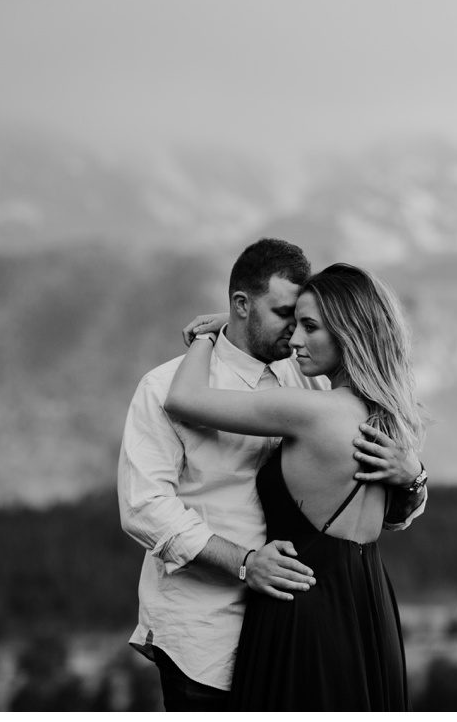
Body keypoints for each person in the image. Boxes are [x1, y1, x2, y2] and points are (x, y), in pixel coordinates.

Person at [118, 239, 427, 711]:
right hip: (208, 632)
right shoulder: (162, 386)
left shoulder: (310, 385)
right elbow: (144, 508)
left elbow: (381, 511)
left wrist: (413, 477)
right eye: (286, 315)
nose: (294, 335)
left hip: (300, 622)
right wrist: (244, 562)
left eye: (306, 321)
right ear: (241, 305)